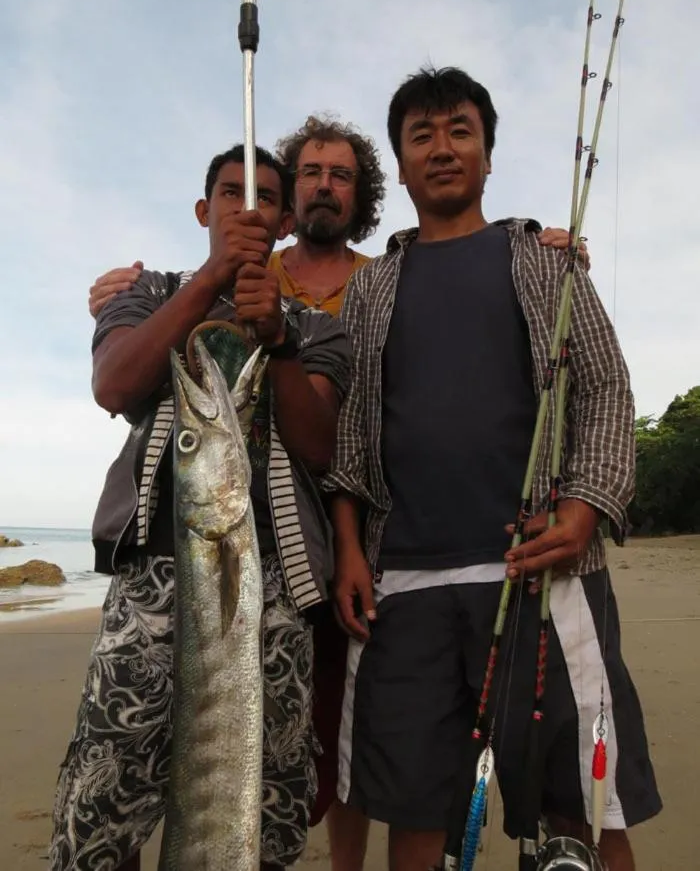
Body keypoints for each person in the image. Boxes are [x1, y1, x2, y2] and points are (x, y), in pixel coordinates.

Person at [88, 121, 591, 871]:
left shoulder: (386, 279)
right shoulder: (196, 280)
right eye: (310, 173)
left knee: (335, 739)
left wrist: (542, 250)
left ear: (355, 195)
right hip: (241, 546)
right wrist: (165, 284)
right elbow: (117, 380)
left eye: (342, 175)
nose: (324, 185)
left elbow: (346, 423)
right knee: (120, 774)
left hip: (343, 548)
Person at [325, 67, 661, 871]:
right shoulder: (371, 287)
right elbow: (352, 434)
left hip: (542, 575)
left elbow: (606, 388)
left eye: (460, 131)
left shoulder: (546, 260)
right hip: (403, 588)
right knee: (415, 812)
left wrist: (585, 506)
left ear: (486, 154)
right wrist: (349, 548)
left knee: (581, 807)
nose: (442, 148)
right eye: (422, 136)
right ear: (401, 165)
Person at [50, 143, 352, 871]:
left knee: (264, 801)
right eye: (229, 193)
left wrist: (279, 340)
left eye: (265, 198)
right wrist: (213, 277)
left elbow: (319, 446)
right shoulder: (147, 291)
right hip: (151, 578)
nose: (247, 208)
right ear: (202, 210)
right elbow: (115, 384)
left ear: (284, 222)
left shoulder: (315, 328)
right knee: (102, 796)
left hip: (275, 584)